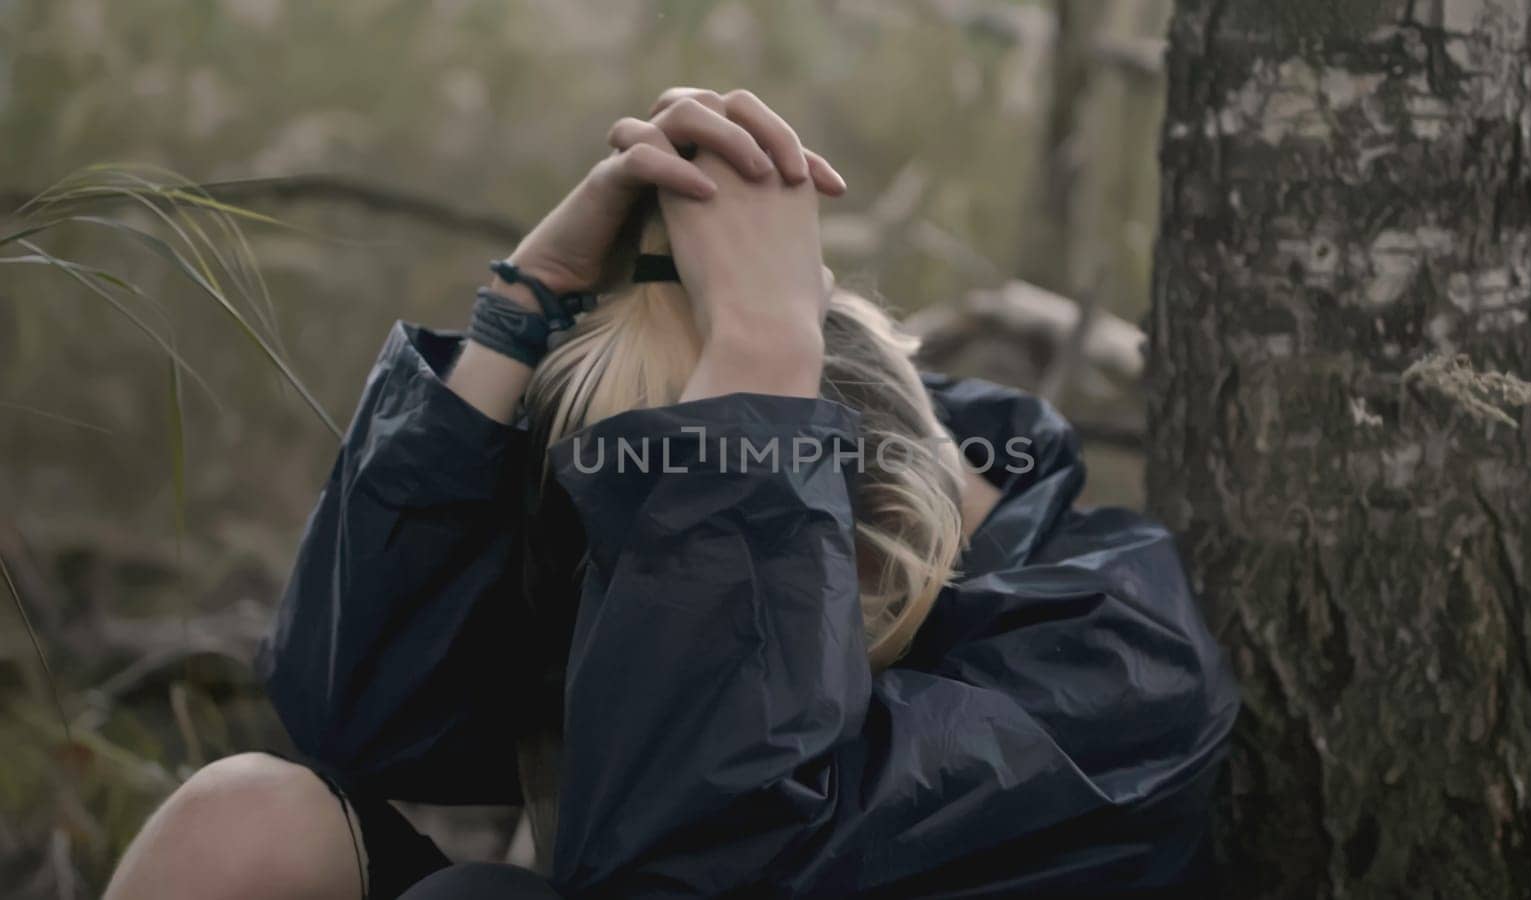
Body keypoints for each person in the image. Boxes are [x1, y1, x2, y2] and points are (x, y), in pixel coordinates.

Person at [104, 86, 1238, 900]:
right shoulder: (669, 501)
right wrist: (523, 308)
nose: (614, 565)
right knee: (242, 818)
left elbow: (704, 869)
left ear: (876, 538)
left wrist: (756, 350)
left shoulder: (1104, 663)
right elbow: (362, 715)